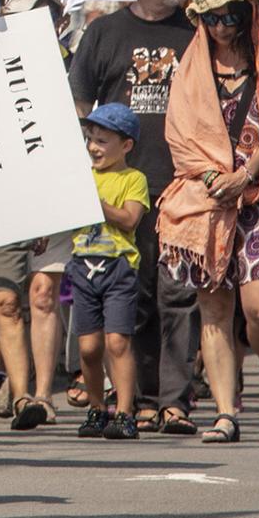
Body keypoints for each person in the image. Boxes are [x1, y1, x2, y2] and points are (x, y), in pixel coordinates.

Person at [155, 0, 259, 443]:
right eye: (212, 18)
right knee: (213, 307)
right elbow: (180, 135)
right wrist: (208, 175)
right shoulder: (190, 68)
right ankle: (225, 411)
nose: (221, 27)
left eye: (230, 16)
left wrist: (244, 174)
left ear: (249, 14)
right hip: (206, 200)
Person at [69, 0, 203, 436]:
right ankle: (140, 397)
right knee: (135, 296)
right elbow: (79, 109)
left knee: (178, 295)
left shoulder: (196, 31)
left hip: (182, 185)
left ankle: (175, 400)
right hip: (124, 188)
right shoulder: (104, 33)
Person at [0, 0, 73, 430]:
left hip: (53, 197)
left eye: (48, 14)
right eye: (29, 15)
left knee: (42, 296)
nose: (41, 23)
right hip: (3, 198)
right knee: (1, 299)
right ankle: (20, 395)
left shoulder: (69, 69)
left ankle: (41, 394)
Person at [69, 104, 152, 439]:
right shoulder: (82, 176)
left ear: (126, 145)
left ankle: (125, 411)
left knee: (117, 341)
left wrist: (96, 203)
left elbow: (131, 219)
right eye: (90, 139)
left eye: (102, 141)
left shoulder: (134, 179)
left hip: (118, 268)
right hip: (82, 266)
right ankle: (96, 407)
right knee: (88, 347)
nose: (93, 147)